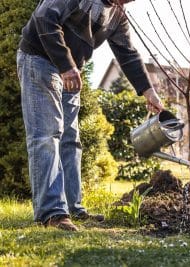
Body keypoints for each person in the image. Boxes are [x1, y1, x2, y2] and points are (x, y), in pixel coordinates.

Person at [17, 0, 164, 231]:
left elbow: (128, 53)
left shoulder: (116, 14)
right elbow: (44, 18)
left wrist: (149, 92)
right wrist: (66, 66)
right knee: (47, 136)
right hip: (40, 59)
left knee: (70, 139)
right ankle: (52, 212)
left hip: (70, 70)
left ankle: (73, 208)